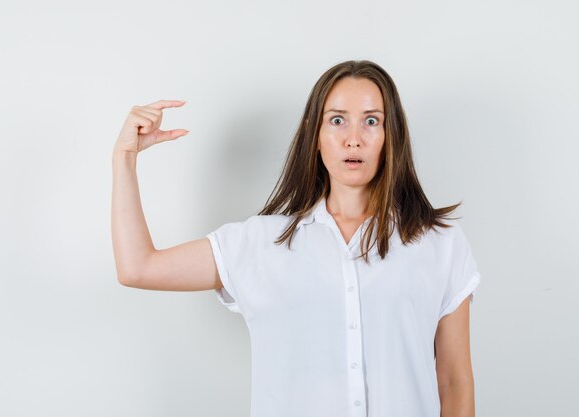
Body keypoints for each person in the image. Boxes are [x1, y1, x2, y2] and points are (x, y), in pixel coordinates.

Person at [111, 59, 481, 417]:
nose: (354, 139)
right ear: (315, 135)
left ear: (391, 135)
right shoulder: (259, 244)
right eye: (337, 120)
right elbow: (138, 268)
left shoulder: (439, 243)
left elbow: (454, 383)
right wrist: (124, 157)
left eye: (371, 121)